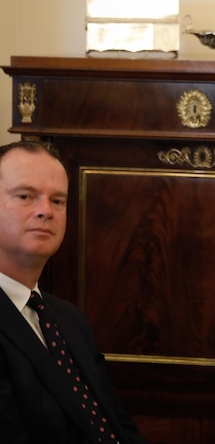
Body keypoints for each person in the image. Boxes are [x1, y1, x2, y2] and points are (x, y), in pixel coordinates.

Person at [0, 141, 150, 444]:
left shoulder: (69, 320)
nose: (46, 211)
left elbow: (116, 423)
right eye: (26, 196)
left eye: (58, 201)